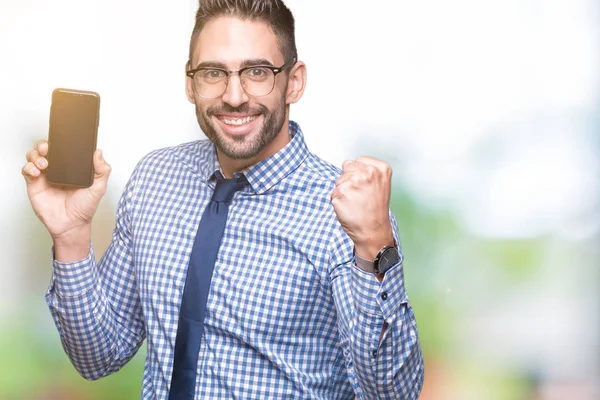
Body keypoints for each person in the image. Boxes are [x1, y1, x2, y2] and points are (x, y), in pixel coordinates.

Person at [22, 0, 424, 398]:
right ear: (189, 82)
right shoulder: (154, 179)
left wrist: (375, 246)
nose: (234, 95)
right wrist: (71, 236)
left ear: (295, 81)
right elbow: (98, 356)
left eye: (257, 72)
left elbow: (392, 394)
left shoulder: (345, 211)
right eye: (214, 72)